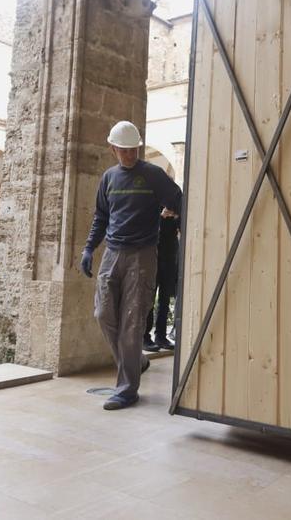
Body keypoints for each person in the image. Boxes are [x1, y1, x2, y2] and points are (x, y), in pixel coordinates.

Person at [81, 121, 182, 410]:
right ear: (113, 149)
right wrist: (89, 249)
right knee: (103, 313)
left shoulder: (153, 175)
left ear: (138, 147)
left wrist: (184, 233)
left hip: (142, 254)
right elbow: (101, 216)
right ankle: (136, 361)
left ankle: (127, 389)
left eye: (132, 149)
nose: (128, 155)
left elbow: (178, 200)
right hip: (112, 252)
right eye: (122, 150)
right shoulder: (109, 178)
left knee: (132, 321)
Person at [144, 207, 180, 352]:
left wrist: (178, 216)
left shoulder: (176, 196)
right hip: (153, 252)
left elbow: (184, 224)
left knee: (165, 299)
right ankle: (145, 337)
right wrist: (161, 215)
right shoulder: (154, 195)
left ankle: (161, 336)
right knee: (149, 297)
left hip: (171, 254)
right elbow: (144, 224)